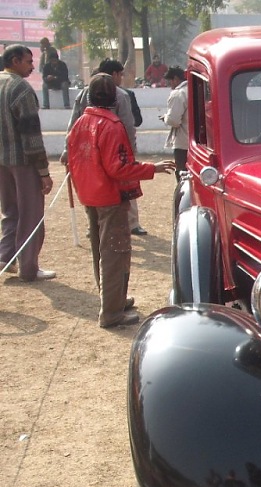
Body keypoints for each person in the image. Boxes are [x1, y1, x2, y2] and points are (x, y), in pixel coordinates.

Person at [67, 73, 174, 328]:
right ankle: (112, 312)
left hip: (89, 194)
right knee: (114, 252)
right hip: (109, 196)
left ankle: (113, 299)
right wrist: (152, 169)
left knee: (100, 250)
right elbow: (118, 168)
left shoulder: (81, 123)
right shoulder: (112, 126)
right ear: (115, 97)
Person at [63, 58, 148, 235]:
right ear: (114, 75)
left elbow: (126, 125)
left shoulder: (119, 95)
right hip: (98, 148)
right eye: (121, 75)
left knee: (122, 185)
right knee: (103, 184)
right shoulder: (113, 94)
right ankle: (95, 222)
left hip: (102, 149)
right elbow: (127, 127)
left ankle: (130, 222)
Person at [0, 44, 55, 281]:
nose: (33, 67)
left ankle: (5, 258)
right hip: (23, 161)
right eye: (28, 62)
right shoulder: (20, 88)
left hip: (2, 162)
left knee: (11, 211)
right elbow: (32, 135)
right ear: (14, 60)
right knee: (31, 215)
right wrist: (43, 171)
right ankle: (28, 268)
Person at [161, 66, 188, 182]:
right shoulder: (195, 88)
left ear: (176, 79)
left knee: (182, 173)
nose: (169, 84)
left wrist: (165, 117)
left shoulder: (178, 94)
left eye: (170, 81)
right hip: (199, 142)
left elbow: (174, 121)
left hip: (182, 141)